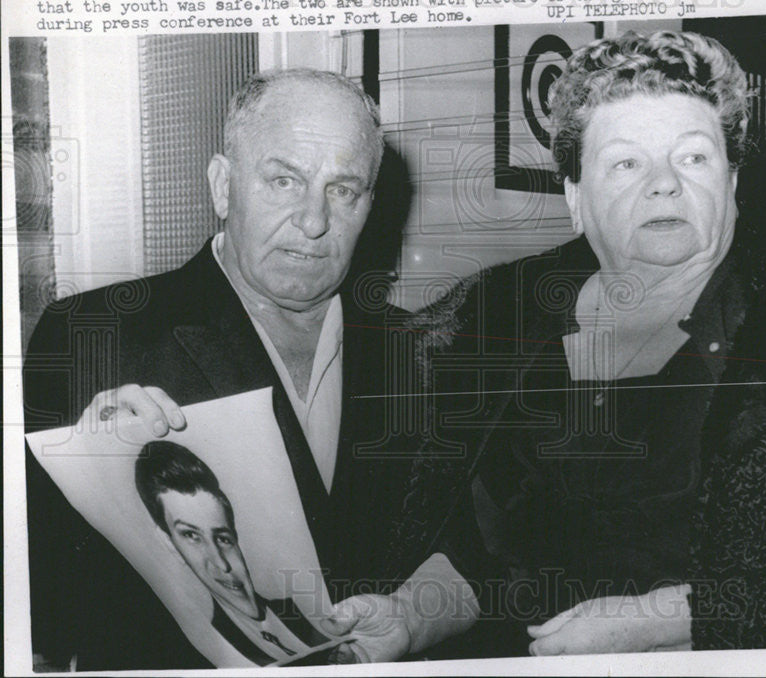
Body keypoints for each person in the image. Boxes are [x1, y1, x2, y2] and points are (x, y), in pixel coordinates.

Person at [411, 30, 766, 654]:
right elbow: (487, 556)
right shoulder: (502, 318)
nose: (664, 183)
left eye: (693, 157)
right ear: (574, 196)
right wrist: (407, 615)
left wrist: (663, 619)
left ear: (731, 179)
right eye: (625, 162)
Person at [23, 69, 479, 669]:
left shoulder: (420, 350)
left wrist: (413, 619)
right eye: (284, 180)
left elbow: (479, 554)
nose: (314, 221)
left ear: (371, 203)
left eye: (343, 190)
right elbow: (39, 604)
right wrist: (89, 470)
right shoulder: (93, 336)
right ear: (222, 185)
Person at [134, 440, 330, 665]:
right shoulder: (197, 655)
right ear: (170, 544)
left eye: (223, 538)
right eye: (192, 536)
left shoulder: (303, 615)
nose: (221, 563)